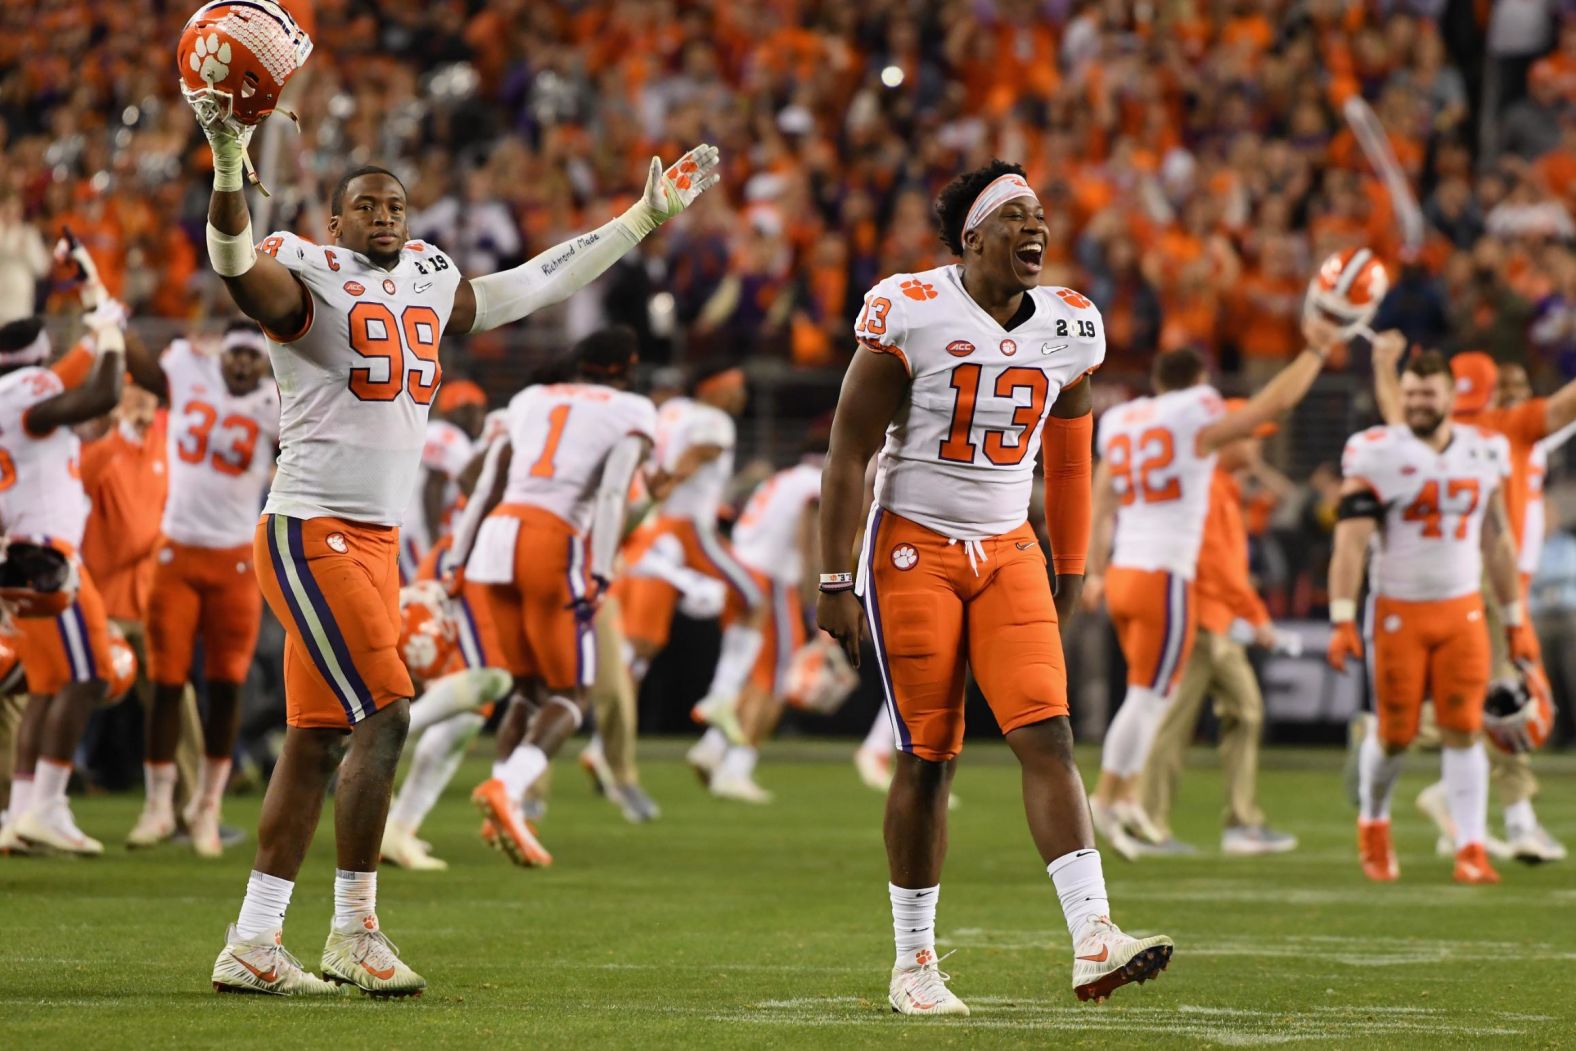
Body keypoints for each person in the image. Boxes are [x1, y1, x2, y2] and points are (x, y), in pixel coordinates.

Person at [190, 59, 718, 993]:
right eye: (367, 204)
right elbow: (233, 263)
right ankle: (354, 928)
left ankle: (252, 939)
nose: (386, 214)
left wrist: (639, 222)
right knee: (386, 710)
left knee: (318, 737)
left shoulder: (431, 280)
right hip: (309, 528)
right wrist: (230, 160)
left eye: (396, 203)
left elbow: (527, 287)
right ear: (335, 222)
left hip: (378, 541)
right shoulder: (304, 269)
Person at [816, 160, 1172, 1013]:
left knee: (1046, 733)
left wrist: (1072, 563)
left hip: (1009, 547)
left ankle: (1094, 938)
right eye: (1014, 215)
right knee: (929, 755)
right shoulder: (912, 309)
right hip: (914, 546)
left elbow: (1072, 454)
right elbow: (848, 450)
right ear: (971, 237)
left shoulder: (1069, 325)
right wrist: (835, 575)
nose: (1034, 227)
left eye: (1040, 214)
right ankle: (914, 962)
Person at [1082, 325, 1339, 860]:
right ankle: (1108, 798)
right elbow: (1277, 400)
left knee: (1146, 696)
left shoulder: (1124, 420)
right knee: (1149, 699)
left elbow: (1100, 497)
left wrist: (1096, 570)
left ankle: (1125, 796)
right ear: (1199, 385)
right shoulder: (1196, 420)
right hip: (1164, 579)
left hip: (1126, 571)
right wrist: (1316, 349)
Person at [1328, 350, 1533, 885]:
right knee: (1395, 734)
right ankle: (1373, 823)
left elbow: (1499, 540)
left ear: (1450, 396)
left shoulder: (1484, 451)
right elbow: (1350, 544)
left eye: (1429, 393)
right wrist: (1343, 616)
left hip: (1462, 608)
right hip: (1398, 610)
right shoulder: (1376, 452)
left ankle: (1470, 847)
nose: (1419, 402)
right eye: (1411, 393)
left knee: (1465, 729)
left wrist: (1514, 618)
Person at [454, 326, 656, 867]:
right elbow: (613, 493)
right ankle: (508, 791)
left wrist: (457, 558)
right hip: (551, 540)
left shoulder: (530, 398)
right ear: (627, 366)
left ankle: (503, 801)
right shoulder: (631, 409)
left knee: (525, 689)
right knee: (570, 695)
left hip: (497, 536)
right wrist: (605, 568)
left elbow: (487, 483)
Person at [1374, 351, 1574, 862]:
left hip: (1447, 580)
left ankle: (1441, 787)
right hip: (1488, 581)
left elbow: (1395, 417)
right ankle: (1518, 819)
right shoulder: (1505, 428)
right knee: (1508, 697)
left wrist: (1381, 365)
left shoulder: (1433, 438)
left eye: (1519, 383)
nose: (1513, 393)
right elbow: (1563, 408)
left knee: (1474, 700)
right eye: (1504, 385)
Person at [123, 322, 279, 857]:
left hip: (235, 558)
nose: (241, 365)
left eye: (250, 357)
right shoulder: (188, 372)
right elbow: (143, 368)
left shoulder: (276, 402)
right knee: (166, 682)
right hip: (177, 550)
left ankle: (207, 805)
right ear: (221, 356)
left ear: (263, 363)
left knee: (227, 685)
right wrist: (114, 325)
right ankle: (159, 804)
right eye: (234, 354)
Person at [1132, 402, 1298, 857]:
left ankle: (1242, 824)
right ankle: (1145, 824)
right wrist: (1257, 615)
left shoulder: (1220, 484)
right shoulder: (1206, 486)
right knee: (1173, 725)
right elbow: (1218, 566)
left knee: (1245, 712)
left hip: (1215, 621)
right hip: (1198, 622)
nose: (1257, 444)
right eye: (1250, 435)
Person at [0, 303, 127, 856]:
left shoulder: (17, 398)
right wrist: (109, 338)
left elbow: (73, 398)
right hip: (48, 558)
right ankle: (48, 806)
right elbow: (98, 392)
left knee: (48, 686)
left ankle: (22, 812)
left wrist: (97, 332)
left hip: (26, 556)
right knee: (92, 675)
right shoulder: (27, 391)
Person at [616, 361, 766, 764]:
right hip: (688, 529)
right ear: (713, 387)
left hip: (655, 530)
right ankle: (720, 698)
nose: (741, 397)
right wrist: (669, 480)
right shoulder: (714, 419)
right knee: (754, 600)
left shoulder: (672, 410)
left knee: (639, 648)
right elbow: (700, 451)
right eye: (734, 386)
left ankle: (603, 745)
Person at [711, 432, 827, 803]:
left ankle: (713, 750)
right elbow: (810, 544)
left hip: (740, 572)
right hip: (769, 579)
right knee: (777, 678)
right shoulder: (814, 483)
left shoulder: (785, 478)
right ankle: (736, 767)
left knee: (752, 674)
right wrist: (817, 601)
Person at [399, 379, 486, 582]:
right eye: (466, 410)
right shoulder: (445, 435)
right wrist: (434, 538)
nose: (476, 417)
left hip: (414, 530)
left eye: (479, 409)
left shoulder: (459, 441)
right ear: (448, 412)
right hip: (419, 533)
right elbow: (433, 486)